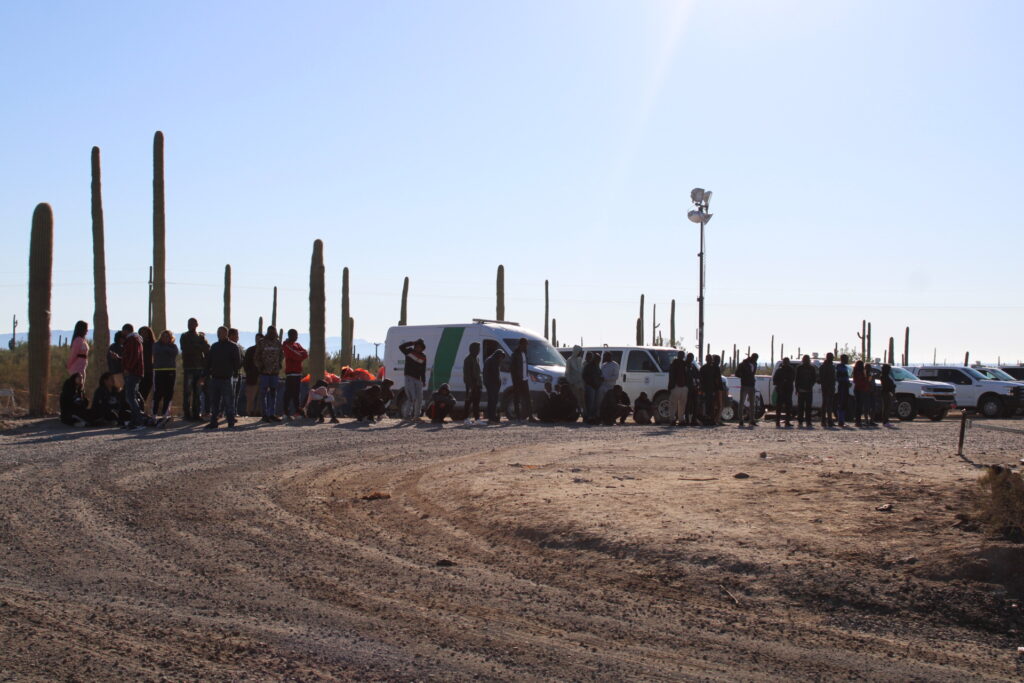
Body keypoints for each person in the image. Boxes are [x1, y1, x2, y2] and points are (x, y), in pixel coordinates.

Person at [205, 326, 243, 429]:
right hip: (215, 377)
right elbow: (208, 362)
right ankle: (214, 422)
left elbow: (238, 362)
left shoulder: (233, 346)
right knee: (215, 402)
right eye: (218, 332)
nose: (220, 334)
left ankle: (230, 421)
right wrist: (206, 374)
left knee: (228, 401)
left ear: (226, 334)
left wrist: (234, 372)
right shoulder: (214, 346)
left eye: (222, 332)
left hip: (227, 378)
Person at [180, 318, 210, 421]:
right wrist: (198, 346)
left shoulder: (201, 337)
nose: (191, 325)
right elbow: (185, 349)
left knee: (198, 392)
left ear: (197, 324)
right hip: (188, 367)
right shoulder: (184, 336)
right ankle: (187, 414)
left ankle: (196, 414)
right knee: (187, 392)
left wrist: (197, 346)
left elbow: (206, 349)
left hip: (199, 368)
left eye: (193, 323)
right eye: (189, 323)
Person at [121, 323, 146, 429]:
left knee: (130, 397)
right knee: (132, 396)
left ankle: (138, 421)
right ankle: (133, 421)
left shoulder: (132, 341)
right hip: (136, 372)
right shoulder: (136, 340)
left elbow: (133, 356)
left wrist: (128, 369)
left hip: (133, 372)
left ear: (126, 331)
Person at [256, 327, 284, 422]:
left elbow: (281, 355)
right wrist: (260, 366)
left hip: (274, 372)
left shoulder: (278, 342)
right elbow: (257, 356)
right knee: (263, 393)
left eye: (274, 332)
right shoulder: (262, 342)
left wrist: (279, 365)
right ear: (267, 332)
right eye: (270, 332)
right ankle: (264, 414)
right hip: (264, 372)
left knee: (273, 393)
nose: (272, 333)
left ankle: (271, 413)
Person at [281, 329, 309, 420]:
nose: (296, 337)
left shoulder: (297, 345)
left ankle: (297, 412)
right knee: (288, 394)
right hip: (290, 374)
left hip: (297, 374)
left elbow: (305, 354)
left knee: (297, 394)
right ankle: (285, 412)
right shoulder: (286, 345)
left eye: (297, 335)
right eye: (295, 335)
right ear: (290, 335)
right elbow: (295, 355)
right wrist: (300, 355)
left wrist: (299, 355)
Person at [152, 330, 178, 420]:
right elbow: (156, 351)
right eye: (163, 336)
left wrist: (165, 349)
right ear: (160, 337)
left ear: (170, 338)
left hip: (170, 371)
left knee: (169, 393)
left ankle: (165, 413)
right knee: (157, 393)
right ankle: (154, 413)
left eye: (167, 336)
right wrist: (167, 350)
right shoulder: (156, 345)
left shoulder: (174, 346)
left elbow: (174, 353)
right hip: (159, 371)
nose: (165, 338)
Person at [399, 339, 428, 421]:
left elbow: (423, 370)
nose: (417, 348)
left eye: (419, 347)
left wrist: (424, 380)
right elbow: (401, 347)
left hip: (418, 379)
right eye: (416, 346)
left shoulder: (423, 357)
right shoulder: (409, 352)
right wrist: (412, 342)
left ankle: (416, 416)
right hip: (409, 377)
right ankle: (406, 416)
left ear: (422, 348)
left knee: (419, 398)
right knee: (412, 397)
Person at [510, 338, 534, 422]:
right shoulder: (515, 354)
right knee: (517, 398)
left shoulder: (525, 353)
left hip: (525, 379)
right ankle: (518, 417)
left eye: (527, 345)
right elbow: (512, 368)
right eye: (525, 344)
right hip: (517, 380)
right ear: (521, 344)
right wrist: (515, 380)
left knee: (527, 398)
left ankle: (530, 416)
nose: (526, 346)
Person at [735, 353, 759, 427]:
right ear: (751, 357)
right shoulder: (743, 364)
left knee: (752, 403)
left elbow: (753, 374)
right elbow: (737, 373)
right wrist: (744, 376)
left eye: (756, 358)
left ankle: (752, 420)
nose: (755, 359)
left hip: (752, 385)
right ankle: (740, 420)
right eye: (755, 358)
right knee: (742, 403)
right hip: (745, 385)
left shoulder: (755, 364)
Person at [483, 347, 505, 424]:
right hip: (492, 384)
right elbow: (495, 375)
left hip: (490, 384)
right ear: (498, 355)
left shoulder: (490, 359)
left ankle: (491, 417)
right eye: (501, 357)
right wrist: (498, 382)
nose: (501, 359)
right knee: (493, 401)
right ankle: (492, 418)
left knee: (491, 401)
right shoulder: (493, 361)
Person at [667, 351, 690, 426]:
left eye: (682, 355)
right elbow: (671, 376)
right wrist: (671, 386)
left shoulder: (683, 364)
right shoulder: (676, 364)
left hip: (681, 387)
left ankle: (678, 420)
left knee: (680, 404)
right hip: (677, 386)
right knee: (675, 404)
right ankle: (674, 419)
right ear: (679, 355)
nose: (682, 356)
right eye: (681, 355)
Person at [462, 342, 482, 424]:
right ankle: (466, 418)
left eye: (478, 349)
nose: (478, 351)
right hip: (471, 385)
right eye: (476, 349)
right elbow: (467, 374)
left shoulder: (477, 358)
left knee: (476, 403)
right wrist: (470, 385)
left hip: (477, 384)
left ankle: (477, 419)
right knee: (468, 402)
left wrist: (480, 383)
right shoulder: (467, 359)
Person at [243, 333, 263, 417]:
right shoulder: (250, 350)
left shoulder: (264, 350)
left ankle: (258, 411)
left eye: (260, 339)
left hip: (262, 375)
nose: (258, 340)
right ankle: (249, 412)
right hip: (252, 376)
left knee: (261, 395)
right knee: (250, 396)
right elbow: (245, 364)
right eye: (257, 338)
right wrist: (249, 373)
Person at [795, 355, 817, 428]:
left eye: (807, 359)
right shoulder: (799, 368)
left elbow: (814, 378)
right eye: (805, 359)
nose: (806, 361)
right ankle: (800, 422)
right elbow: (797, 379)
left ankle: (808, 422)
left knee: (808, 407)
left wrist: (810, 385)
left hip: (808, 390)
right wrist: (797, 389)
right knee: (800, 407)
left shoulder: (812, 368)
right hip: (801, 390)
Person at [773, 358, 796, 427]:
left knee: (788, 407)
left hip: (788, 390)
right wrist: (781, 383)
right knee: (779, 407)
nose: (785, 363)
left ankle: (787, 422)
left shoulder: (791, 370)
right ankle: (777, 422)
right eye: (785, 362)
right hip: (781, 391)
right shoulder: (779, 370)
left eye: (786, 362)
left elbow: (793, 378)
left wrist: (786, 381)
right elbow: (774, 381)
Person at [699, 354, 720, 426]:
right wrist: (702, 390)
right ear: (706, 359)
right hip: (705, 389)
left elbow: (715, 379)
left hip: (712, 389)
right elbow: (701, 380)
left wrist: (715, 389)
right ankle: (705, 419)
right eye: (708, 359)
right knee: (705, 405)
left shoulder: (713, 368)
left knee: (712, 405)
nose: (709, 360)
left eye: (710, 359)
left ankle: (711, 419)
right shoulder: (703, 368)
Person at [582, 352, 603, 424]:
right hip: (590, 386)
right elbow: (584, 376)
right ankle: (588, 417)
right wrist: (591, 383)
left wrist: (600, 382)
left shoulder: (597, 367)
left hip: (597, 387)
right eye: (597, 358)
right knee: (590, 403)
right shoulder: (589, 366)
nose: (598, 360)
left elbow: (600, 375)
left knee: (596, 403)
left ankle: (594, 417)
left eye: (599, 358)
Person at [229, 328, 245, 416]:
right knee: (229, 394)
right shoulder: (227, 347)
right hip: (229, 374)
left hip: (238, 373)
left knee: (236, 394)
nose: (237, 337)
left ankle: (234, 411)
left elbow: (242, 359)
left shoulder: (239, 347)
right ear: (230, 335)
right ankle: (226, 411)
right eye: (235, 335)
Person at [852, 360, 874, 427]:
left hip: (860, 389)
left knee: (859, 406)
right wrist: (866, 380)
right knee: (859, 406)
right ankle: (858, 421)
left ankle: (858, 421)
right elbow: (861, 380)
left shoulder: (859, 371)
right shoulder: (858, 372)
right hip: (860, 389)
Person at [565, 346, 586, 414]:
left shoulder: (580, 359)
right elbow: (567, 373)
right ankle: (577, 413)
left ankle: (584, 414)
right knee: (577, 400)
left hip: (581, 383)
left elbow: (581, 370)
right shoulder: (569, 360)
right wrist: (571, 382)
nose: (580, 353)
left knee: (583, 399)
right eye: (580, 352)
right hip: (574, 384)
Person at [138, 326, 156, 405]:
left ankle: (141, 409)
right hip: (139, 371)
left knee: (145, 392)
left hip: (149, 371)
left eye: (145, 333)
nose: (143, 334)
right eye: (141, 333)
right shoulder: (138, 344)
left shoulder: (153, 345)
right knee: (138, 392)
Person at [818, 352, 837, 428]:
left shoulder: (831, 366)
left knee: (830, 404)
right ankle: (823, 421)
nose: (832, 358)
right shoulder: (824, 366)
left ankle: (829, 420)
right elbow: (822, 378)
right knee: (825, 404)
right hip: (826, 387)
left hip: (831, 386)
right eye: (831, 357)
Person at [836, 354, 852, 427]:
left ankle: (842, 420)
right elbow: (840, 378)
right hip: (842, 386)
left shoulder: (845, 367)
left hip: (845, 386)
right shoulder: (840, 367)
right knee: (841, 403)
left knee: (844, 403)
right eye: (846, 358)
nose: (847, 360)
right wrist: (846, 382)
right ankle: (840, 421)